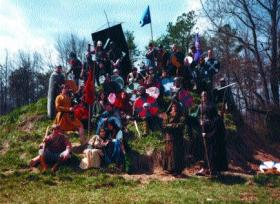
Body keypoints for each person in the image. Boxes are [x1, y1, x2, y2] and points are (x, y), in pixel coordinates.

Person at [197, 91, 228, 176]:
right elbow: (198, 116)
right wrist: (200, 121)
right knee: (203, 149)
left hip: (211, 128)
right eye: (202, 96)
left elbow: (214, 118)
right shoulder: (200, 106)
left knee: (212, 150)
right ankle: (204, 168)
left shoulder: (211, 105)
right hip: (203, 128)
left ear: (207, 96)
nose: (204, 97)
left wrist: (206, 123)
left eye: (205, 96)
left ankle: (213, 169)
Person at [162, 101, 185, 175]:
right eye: (172, 106)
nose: (174, 108)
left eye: (175, 106)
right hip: (169, 137)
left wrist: (171, 125)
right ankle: (169, 169)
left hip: (177, 137)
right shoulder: (168, 115)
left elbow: (181, 125)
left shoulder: (181, 115)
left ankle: (177, 170)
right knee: (168, 153)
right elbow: (164, 125)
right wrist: (169, 125)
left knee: (176, 154)